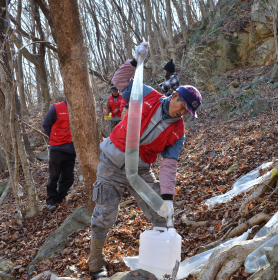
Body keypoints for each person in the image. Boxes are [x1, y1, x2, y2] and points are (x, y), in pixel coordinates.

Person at [88, 43, 202, 279]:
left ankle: (160, 265)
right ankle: (96, 264)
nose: (182, 113)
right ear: (176, 95)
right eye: (183, 105)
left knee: (161, 212)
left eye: (187, 112)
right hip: (111, 161)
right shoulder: (148, 94)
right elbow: (119, 82)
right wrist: (135, 61)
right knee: (104, 214)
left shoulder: (178, 132)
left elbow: (169, 165)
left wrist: (168, 199)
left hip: (139, 170)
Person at [42, 94, 76, 211]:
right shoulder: (56, 107)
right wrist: (54, 137)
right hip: (57, 148)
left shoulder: (78, 107)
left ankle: (61, 198)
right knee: (54, 176)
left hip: (71, 148)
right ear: (65, 94)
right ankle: (51, 200)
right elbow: (46, 124)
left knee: (68, 176)